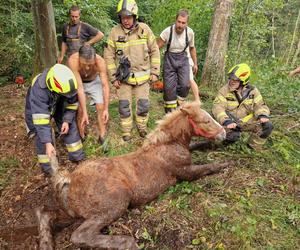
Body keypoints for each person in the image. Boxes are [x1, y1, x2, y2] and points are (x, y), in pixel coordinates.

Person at [104, 0, 160, 142]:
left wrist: (154, 72)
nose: (126, 20)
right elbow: (108, 56)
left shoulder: (145, 29)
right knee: (124, 106)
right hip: (123, 78)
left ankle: (142, 128)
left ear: (134, 16)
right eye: (123, 17)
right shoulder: (114, 32)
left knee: (143, 105)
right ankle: (126, 131)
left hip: (143, 77)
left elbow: (155, 50)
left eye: (128, 17)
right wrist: (113, 78)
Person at [25, 64, 85, 175]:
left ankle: (78, 158)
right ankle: (49, 169)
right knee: (41, 135)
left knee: (70, 126)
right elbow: (41, 121)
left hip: (58, 102)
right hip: (37, 110)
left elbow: (72, 104)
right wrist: (48, 143)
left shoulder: (68, 85)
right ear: (54, 87)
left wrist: (66, 121)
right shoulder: (39, 90)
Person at [212, 63, 273, 150]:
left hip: (245, 122)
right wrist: (226, 121)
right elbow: (217, 108)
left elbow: (260, 105)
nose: (232, 81)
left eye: (236, 80)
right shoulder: (224, 91)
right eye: (231, 78)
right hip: (229, 122)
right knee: (233, 136)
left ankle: (252, 148)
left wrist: (262, 115)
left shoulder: (253, 91)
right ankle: (218, 146)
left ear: (243, 81)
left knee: (267, 126)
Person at [157, 9, 197, 113]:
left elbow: (192, 48)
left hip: (183, 58)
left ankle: (179, 104)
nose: (180, 25)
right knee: (169, 89)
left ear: (187, 23)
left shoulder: (190, 33)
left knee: (185, 85)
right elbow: (156, 48)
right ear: (175, 20)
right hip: (169, 59)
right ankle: (170, 114)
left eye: (183, 23)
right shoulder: (167, 31)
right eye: (179, 22)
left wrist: (195, 63)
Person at [68, 44, 110, 144]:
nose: (87, 68)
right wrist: (85, 112)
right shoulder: (73, 60)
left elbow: (105, 86)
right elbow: (80, 88)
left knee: (100, 107)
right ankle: (81, 136)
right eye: (83, 64)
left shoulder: (100, 62)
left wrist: (106, 109)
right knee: (81, 110)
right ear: (79, 59)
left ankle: (102, 136)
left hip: (94, 81)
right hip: (79, 83)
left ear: (95, 59)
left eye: (90, 64)